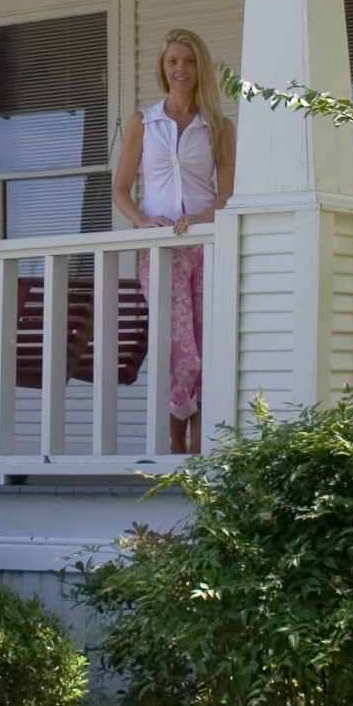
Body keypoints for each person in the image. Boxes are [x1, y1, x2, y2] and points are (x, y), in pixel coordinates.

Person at [110, 28, 234, 454]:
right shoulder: (143, 123)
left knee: (206, 350)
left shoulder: (218, 125)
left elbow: (226, 194)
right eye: (172, 62)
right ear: (163, 69)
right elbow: (120, 189)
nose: (180, 69)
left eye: (188, 61)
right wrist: (144, 222)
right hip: (161, 252)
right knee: (182, 354)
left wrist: (201, 217)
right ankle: (174, 447)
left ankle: (197, 452)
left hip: (206, 247)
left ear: (200, 67)